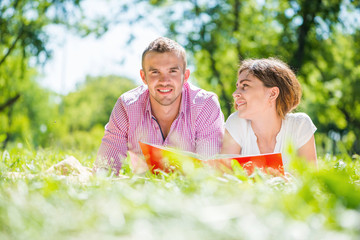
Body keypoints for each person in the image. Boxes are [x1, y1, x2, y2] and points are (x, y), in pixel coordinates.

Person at [95, 37, 224, 175]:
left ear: (185, 76)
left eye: (172, 71)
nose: (164, 81)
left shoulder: (205, 105)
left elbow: (209, 173)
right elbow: (105, 168)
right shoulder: (126, 106)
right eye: (155, 72)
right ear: (143, 76)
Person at [221, 58, 317, 170]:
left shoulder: (300, 125)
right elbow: (225, 177)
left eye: (245, 86)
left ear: (272, 93)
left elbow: (311, 181)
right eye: (237, 86)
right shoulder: (236, 123)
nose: (235, 94)